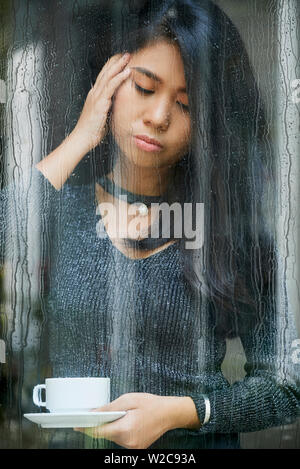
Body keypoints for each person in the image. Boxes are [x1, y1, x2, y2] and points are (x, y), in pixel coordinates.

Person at [1, 0, 299, 449]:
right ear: (110, 83)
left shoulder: (227, 232)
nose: (159, 117)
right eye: (144, 87)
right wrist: (82, 136)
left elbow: (287, 385)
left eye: (184, 104)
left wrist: (185, 411)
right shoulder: (64, 211)